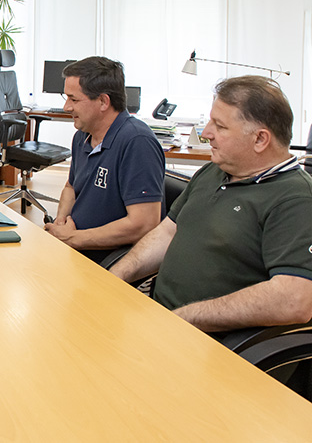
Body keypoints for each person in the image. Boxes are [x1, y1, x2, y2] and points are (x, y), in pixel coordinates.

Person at [109, 75, 312, 333]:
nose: (206, 134)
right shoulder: (213, 171)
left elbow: (294, 299)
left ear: (260, 139)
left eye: (220, 126)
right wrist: (115, 277)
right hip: (162, 317)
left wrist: (187, 317)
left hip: (209, 341)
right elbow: (168, 232)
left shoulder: (296, 199)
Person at [44, 56, 165, 263]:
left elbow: (144, 223)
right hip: (76, 249)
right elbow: (71, 187)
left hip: (109, 260)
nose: (66, 107)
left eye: (73, 99)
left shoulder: (137, 142)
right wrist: (61, 222)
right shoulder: (82, 135)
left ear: (103, 101)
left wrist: (75, 238)